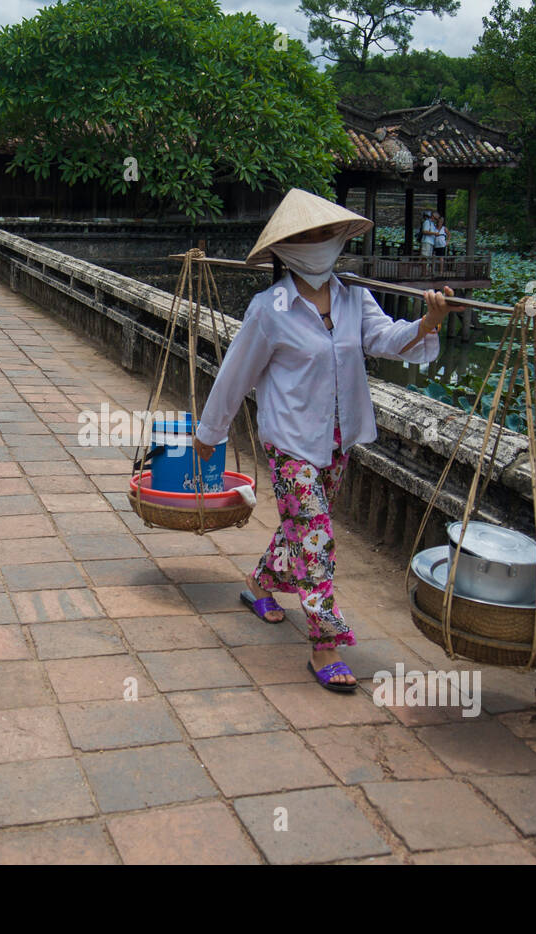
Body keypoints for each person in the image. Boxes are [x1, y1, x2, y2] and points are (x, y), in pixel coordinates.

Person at [193, 188, 454, 691]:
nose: (319, 243)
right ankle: (324, 644)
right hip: (290, 440)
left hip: (339, 436)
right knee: (316, 537)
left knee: (302, 526)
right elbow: (235, 375)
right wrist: (211, 433)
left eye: (325, 233)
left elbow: (385, 340)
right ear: (287, 248)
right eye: (307, 236)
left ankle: (259, 583)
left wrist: (429, 321)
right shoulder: (269, 308)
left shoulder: (354, 294)